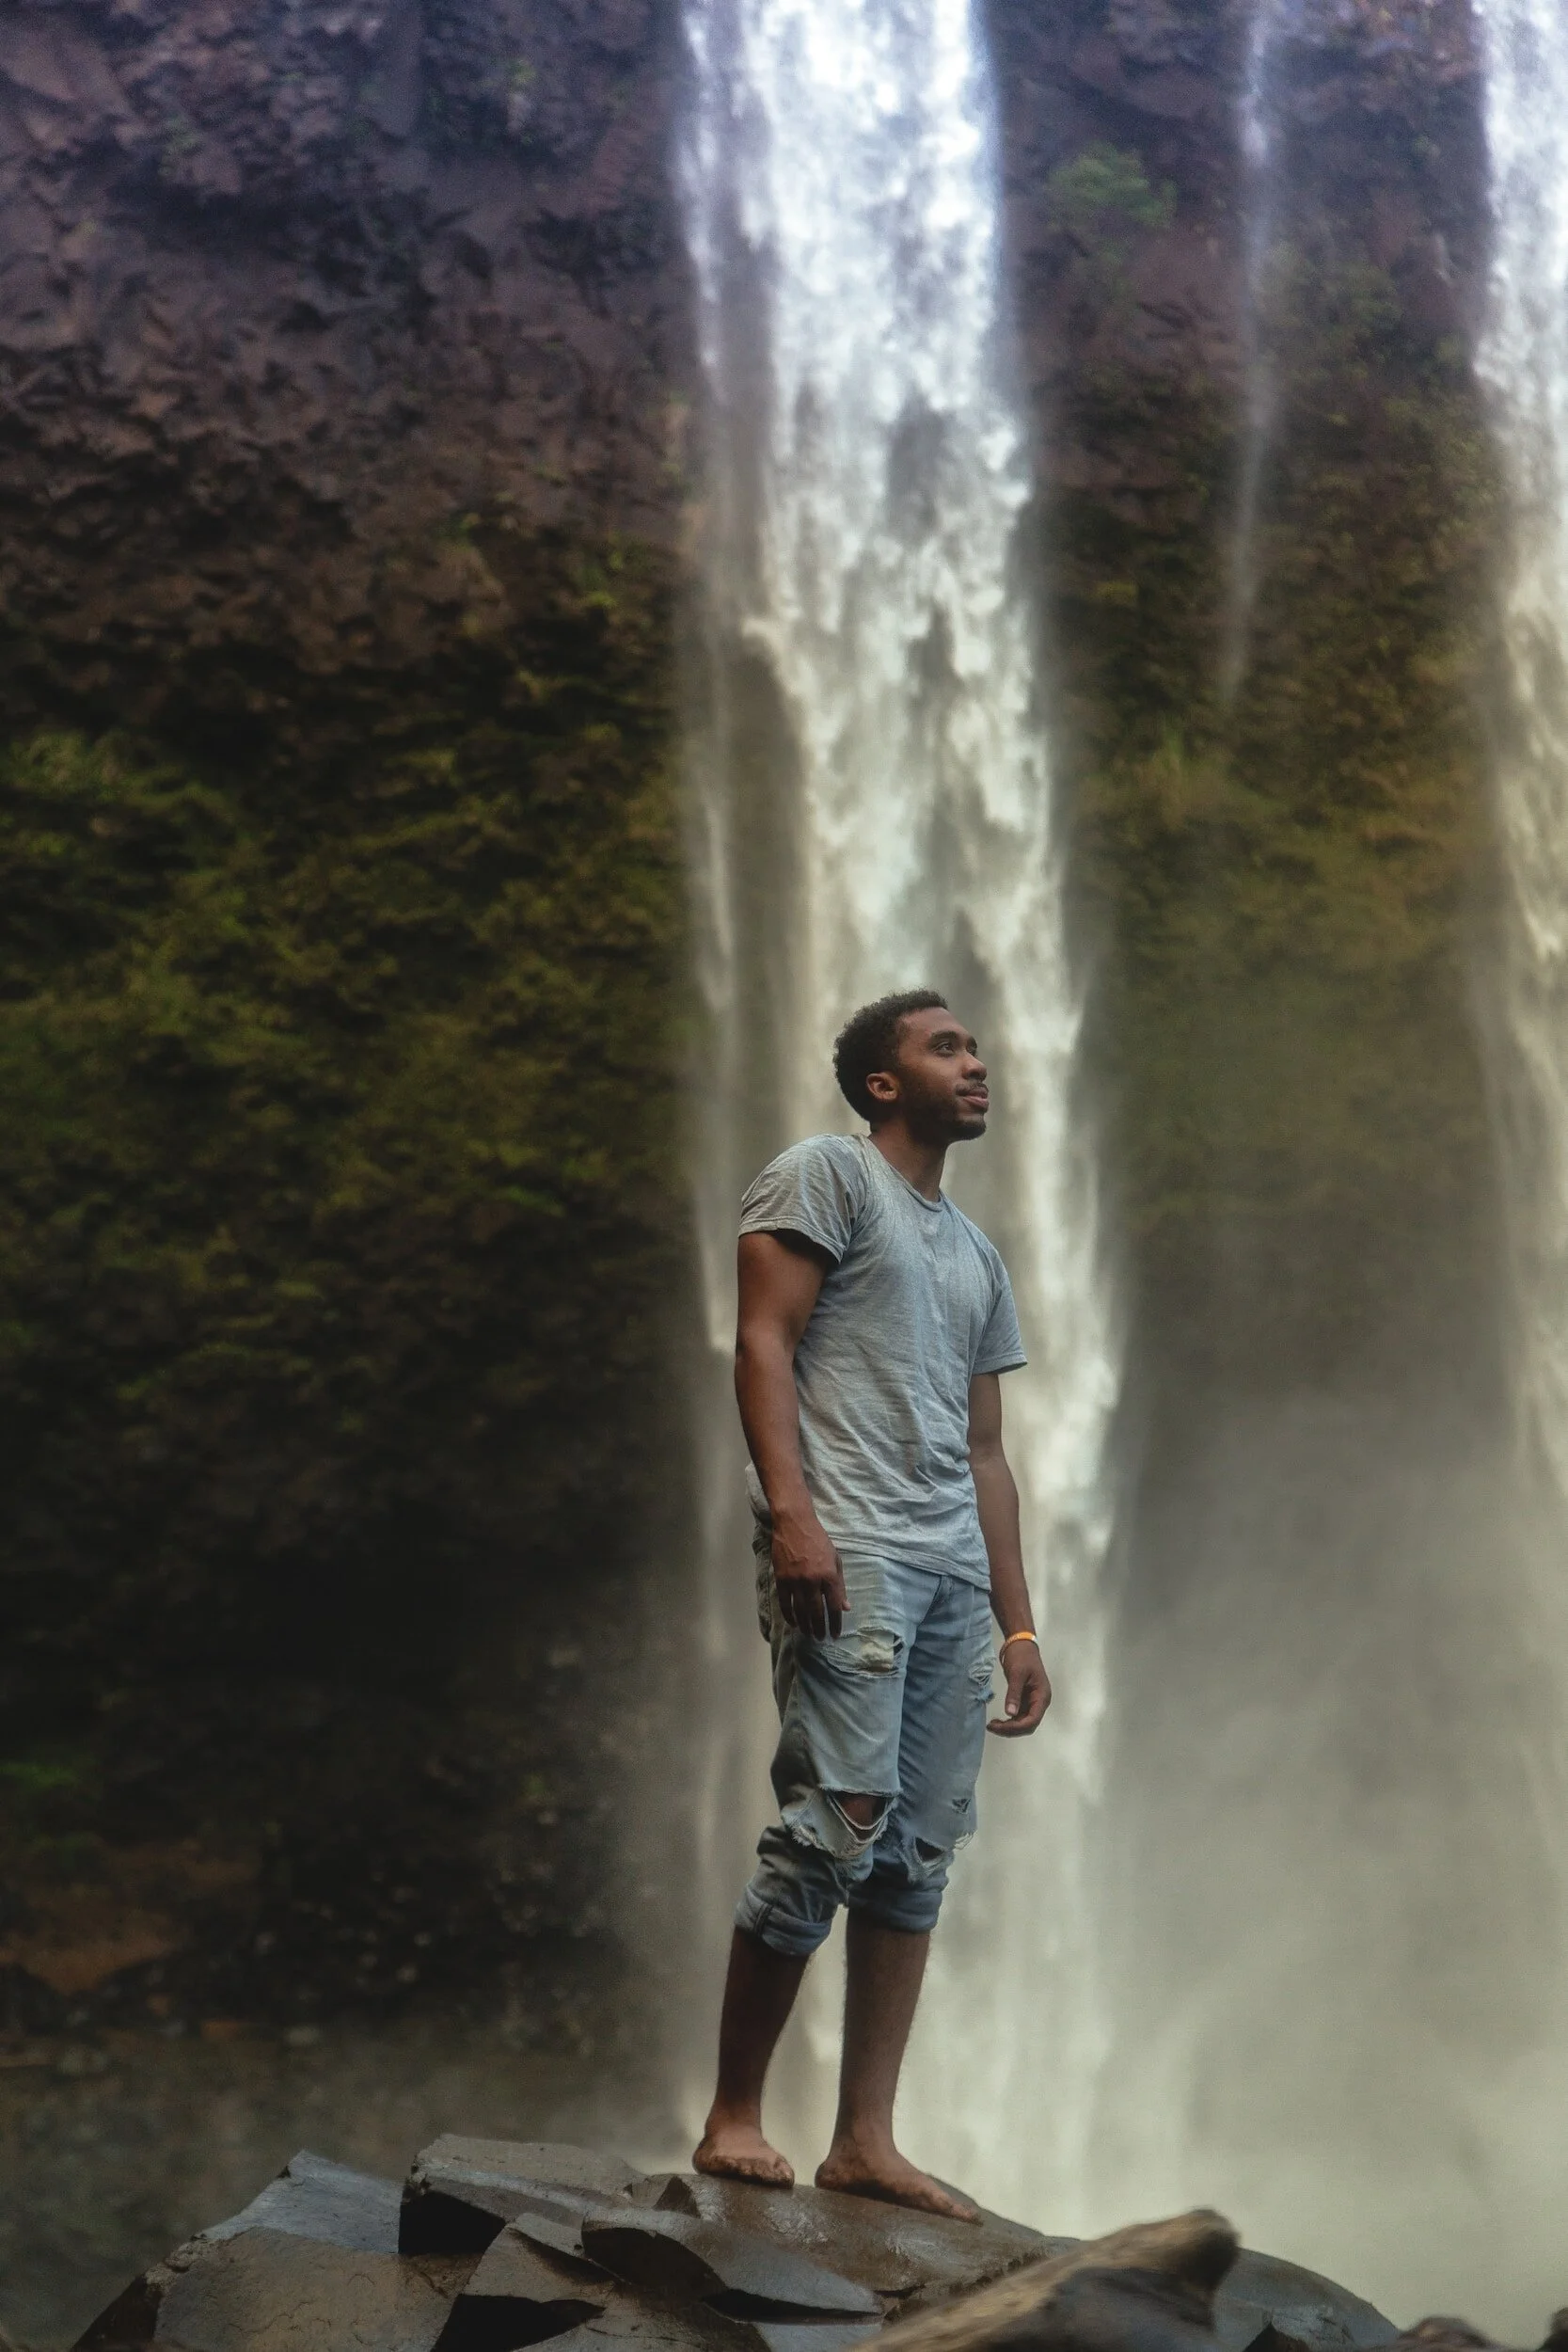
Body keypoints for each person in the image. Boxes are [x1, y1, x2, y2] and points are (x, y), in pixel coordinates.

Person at [692, 989, 1052, 2221]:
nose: (977, 1063)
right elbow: (762, 1341)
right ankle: (734, 2111)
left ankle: (863, 2139)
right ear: (882, 1083)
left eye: (976, 1047)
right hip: (849, 1547)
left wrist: (1018, 1623)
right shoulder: (822, 1179)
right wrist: (792, 1513)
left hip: (951, 1573)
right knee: (832, 1819)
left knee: (916, 1855)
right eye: (946, 1047)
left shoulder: (974, 1251)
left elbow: (986, 1451)